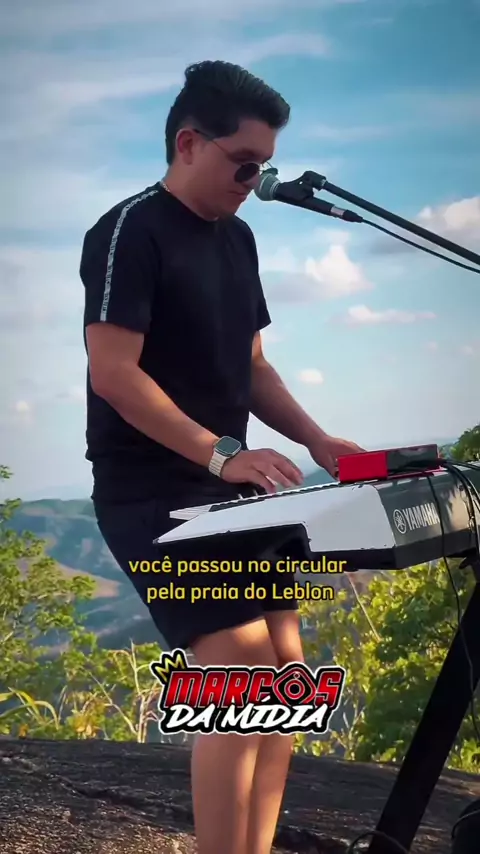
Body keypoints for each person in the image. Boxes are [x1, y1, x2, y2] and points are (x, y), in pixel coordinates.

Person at [80, 59, 364, 854]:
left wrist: (316, 439)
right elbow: (114, 373)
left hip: (229, 488)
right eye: (244, 163)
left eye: (264, 165)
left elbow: (253, 366)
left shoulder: (239, 238)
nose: (255, 181)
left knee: (287, 678)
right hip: (154, 493)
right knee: (242, 678)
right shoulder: (129, 230)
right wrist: (220, 453)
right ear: (188, 142)